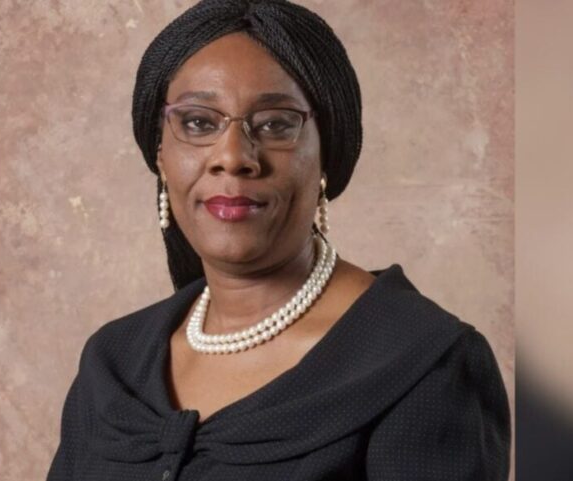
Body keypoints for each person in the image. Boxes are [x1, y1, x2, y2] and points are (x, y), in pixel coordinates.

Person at [47, 1, 511, 480]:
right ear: (160, 154)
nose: (233, 157)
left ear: (327, 154)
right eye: (199, 123)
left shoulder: (423, 362)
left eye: (275, 124)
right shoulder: (112, 364)